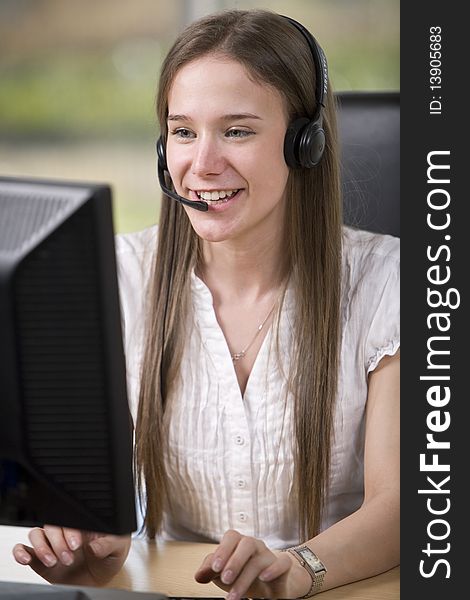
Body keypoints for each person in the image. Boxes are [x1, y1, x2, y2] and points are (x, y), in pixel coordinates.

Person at [12, 9, 400, 599]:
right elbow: (98, 505)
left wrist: (299, 567)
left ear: (305, 144)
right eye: (184, 132)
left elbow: (406, 504)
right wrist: (93, 543)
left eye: (237, 131)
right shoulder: (119, 278)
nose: (202, 164)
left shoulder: (389, 281)